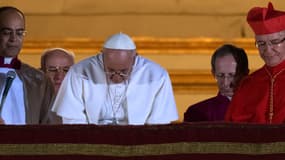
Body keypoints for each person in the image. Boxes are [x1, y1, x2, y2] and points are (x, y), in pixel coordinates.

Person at [52, 32, 178, 125]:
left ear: (135, 58)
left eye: (123, 71)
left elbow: (159, 123)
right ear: (102, 56)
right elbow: (73, 119)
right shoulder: (80, 72)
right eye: (110, 70)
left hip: (138, 140)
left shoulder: (156, 75)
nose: (117, 77)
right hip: (92, 139)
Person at [225, 2, 285, 124]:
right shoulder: (248, 84)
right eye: (261, 44)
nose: (268, 50)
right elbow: (231, 132)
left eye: (275, 42)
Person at [0, 6, 54, 124]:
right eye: (6, 32)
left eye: (19, 33)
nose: (13, 39)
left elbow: (51, 129)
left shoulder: (39, 80)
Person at [184, 44, 249, 122]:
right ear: (213, 73)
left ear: (245, 74)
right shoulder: (197, 113)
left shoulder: (260, 108)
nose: (226, 83)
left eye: (232, 75)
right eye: (220, 75)